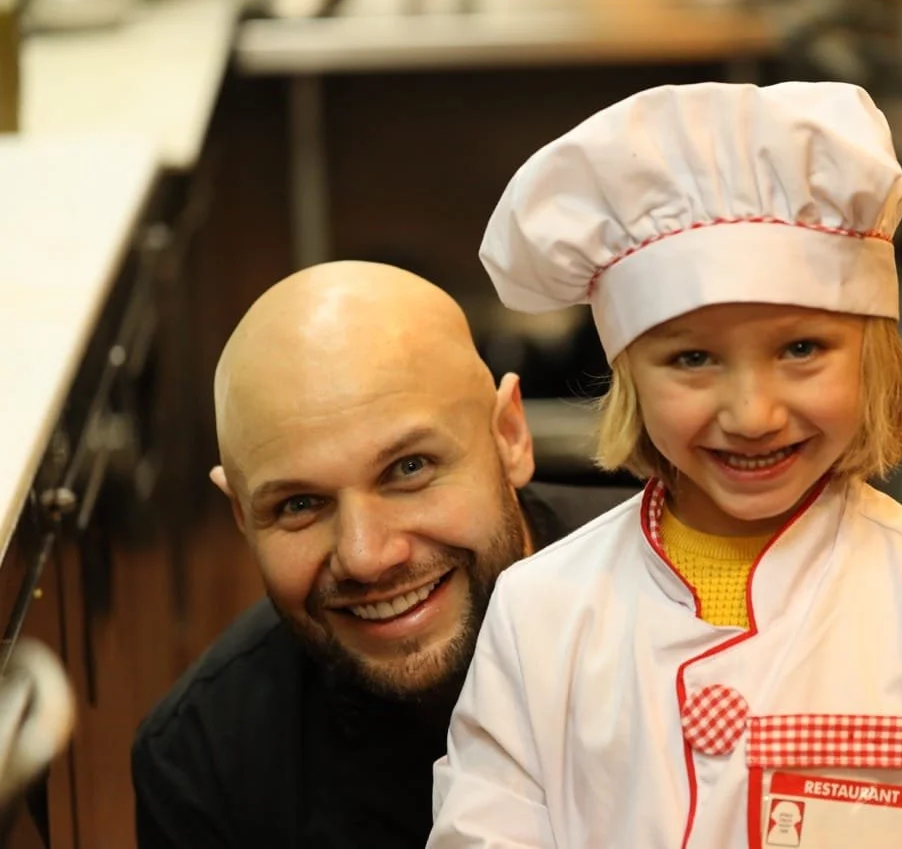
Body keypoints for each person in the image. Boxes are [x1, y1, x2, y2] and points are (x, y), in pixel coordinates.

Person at [427, 82, 902, 848]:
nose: (752, 413)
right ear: (629, 375)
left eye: (801, 348)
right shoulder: (539, 615)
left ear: (874, 352)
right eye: (692, 358)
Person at [131, 262, 637, 849]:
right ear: (242, 517)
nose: (367, 557)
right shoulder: (203, 765)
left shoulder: (712, 599)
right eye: (299, 504)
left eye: (409, 469)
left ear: (510, 437)